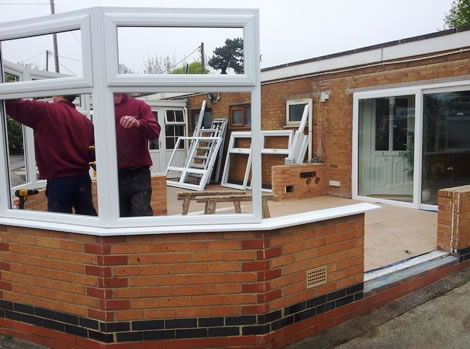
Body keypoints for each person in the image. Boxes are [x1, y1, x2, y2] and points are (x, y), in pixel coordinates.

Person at [5, 95, 97, 215]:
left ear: (58, 95)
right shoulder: (85, 121)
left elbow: (11, 103)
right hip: (82, 179)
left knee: (59, 223)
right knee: (88, 217)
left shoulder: (46, 111)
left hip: (59, 181)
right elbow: (92, 153)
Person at [114, 93, 161, 217]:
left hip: (138, 173)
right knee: (118, 218)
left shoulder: (139, 105)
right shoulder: (103, 107)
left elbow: (155, 132)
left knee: (142, 216)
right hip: (113, 175)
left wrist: (138, 123)